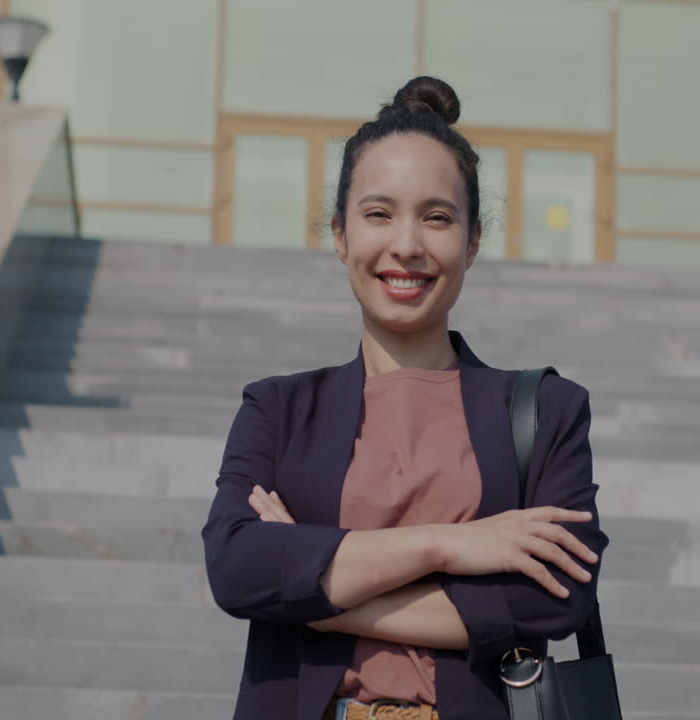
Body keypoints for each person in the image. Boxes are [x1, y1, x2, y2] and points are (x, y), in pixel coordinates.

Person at [201, 76, 608, 720]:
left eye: (437, 217)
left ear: (472, 241)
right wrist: (449, 546)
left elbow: (554, 598)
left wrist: (319, 595)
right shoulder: (277, 410)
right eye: (378, 213)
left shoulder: (546, 411)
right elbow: (236, 569)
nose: (407, 245)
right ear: (340, 234)